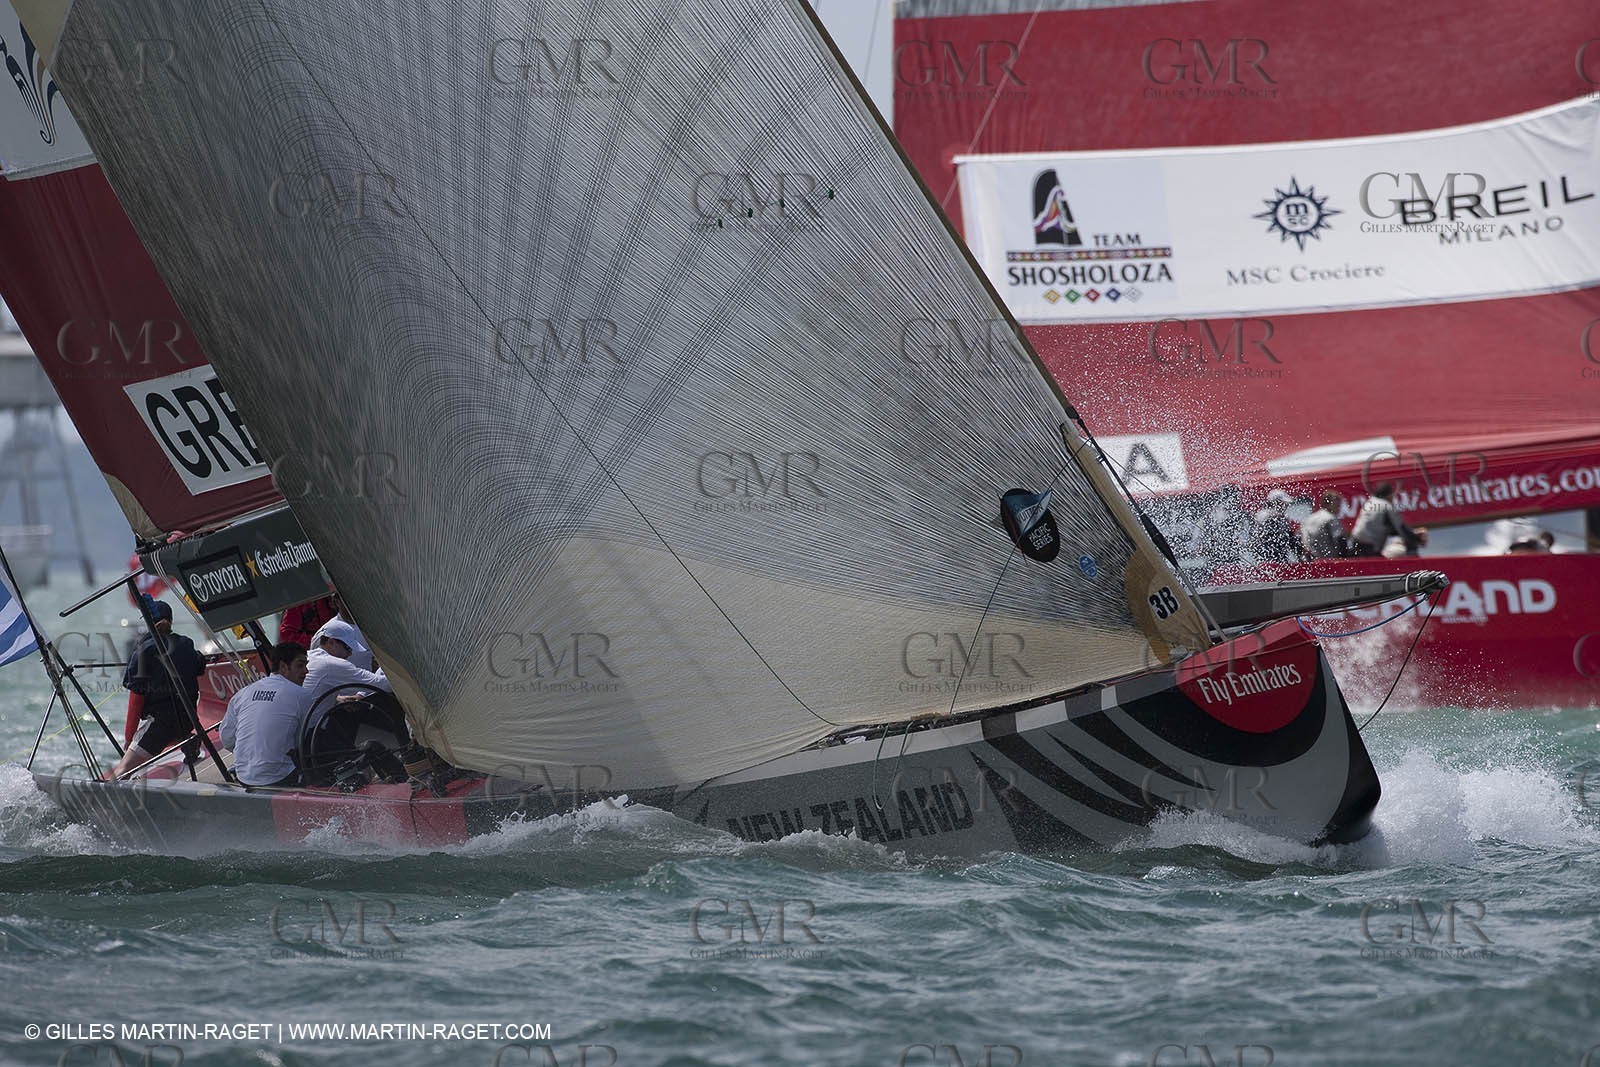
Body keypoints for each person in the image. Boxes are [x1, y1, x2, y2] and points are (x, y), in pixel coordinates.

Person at [108, 598, 208, 779]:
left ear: (148, 622)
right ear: (171, 621)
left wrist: (130, 739)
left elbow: (135, 701)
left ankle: (107, 801)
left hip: (161, 725)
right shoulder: (187, 643)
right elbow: (200, 664)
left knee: (120, 773)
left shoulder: (144, 650)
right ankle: (188, 741)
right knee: (173, 729)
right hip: (188, 719)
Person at [219, 642, 310, 787]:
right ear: (283, 667)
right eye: (300, 665)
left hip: (243, 776)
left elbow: (227, 739)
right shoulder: (302, 695)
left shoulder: (242, 693)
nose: (306, 671)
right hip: (280, 777)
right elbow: (307, 739)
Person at [302, 619, 393, 730]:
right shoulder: (331, 664)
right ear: (331, 642)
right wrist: (386, 663)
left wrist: (338, 699)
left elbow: (312, 693)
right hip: (309, 732)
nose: (350, 653)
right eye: (348, 648)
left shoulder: (309, 656)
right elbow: (384, 684)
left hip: (303, 727)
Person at [1350, 482, 1427, 557]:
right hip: (1369, 547)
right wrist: (1417, 539)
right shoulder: (1386, 506)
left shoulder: (1369, 502)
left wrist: (1412, 534)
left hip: (1355, 542)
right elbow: (1401, 528)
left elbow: (1389, 529)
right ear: (1389, 495)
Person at [1248, 489, 1300, 563]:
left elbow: (1289, 539)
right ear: (1274, 502)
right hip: (1269, 560)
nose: (1286, 506)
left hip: (1267, 560)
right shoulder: (1269, 516)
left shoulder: (1267, 515)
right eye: (1283, 503)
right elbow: (1287, 539)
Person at [1299, 491, 1353, 559]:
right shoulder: (1331, 518)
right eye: (1337, 505)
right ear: (1328, 505)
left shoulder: (1309, 519)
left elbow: (1299, 538)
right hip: (1328, 560)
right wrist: (1345, 558)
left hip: (1310, 560)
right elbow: (1340, 539)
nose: (1339, 509)